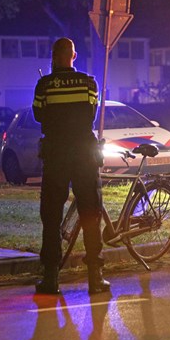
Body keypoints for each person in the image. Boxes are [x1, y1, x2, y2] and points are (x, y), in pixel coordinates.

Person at [33, 37, 109, 295]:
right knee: (90, 213)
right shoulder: (89, 83)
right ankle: (95, 277)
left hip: (55, 155)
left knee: (52, 215)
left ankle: (51, 278)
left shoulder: (44, 85)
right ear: (73, 57)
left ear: (53, 56)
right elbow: (91, 113)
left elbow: (38, 115)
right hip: (84, 155)